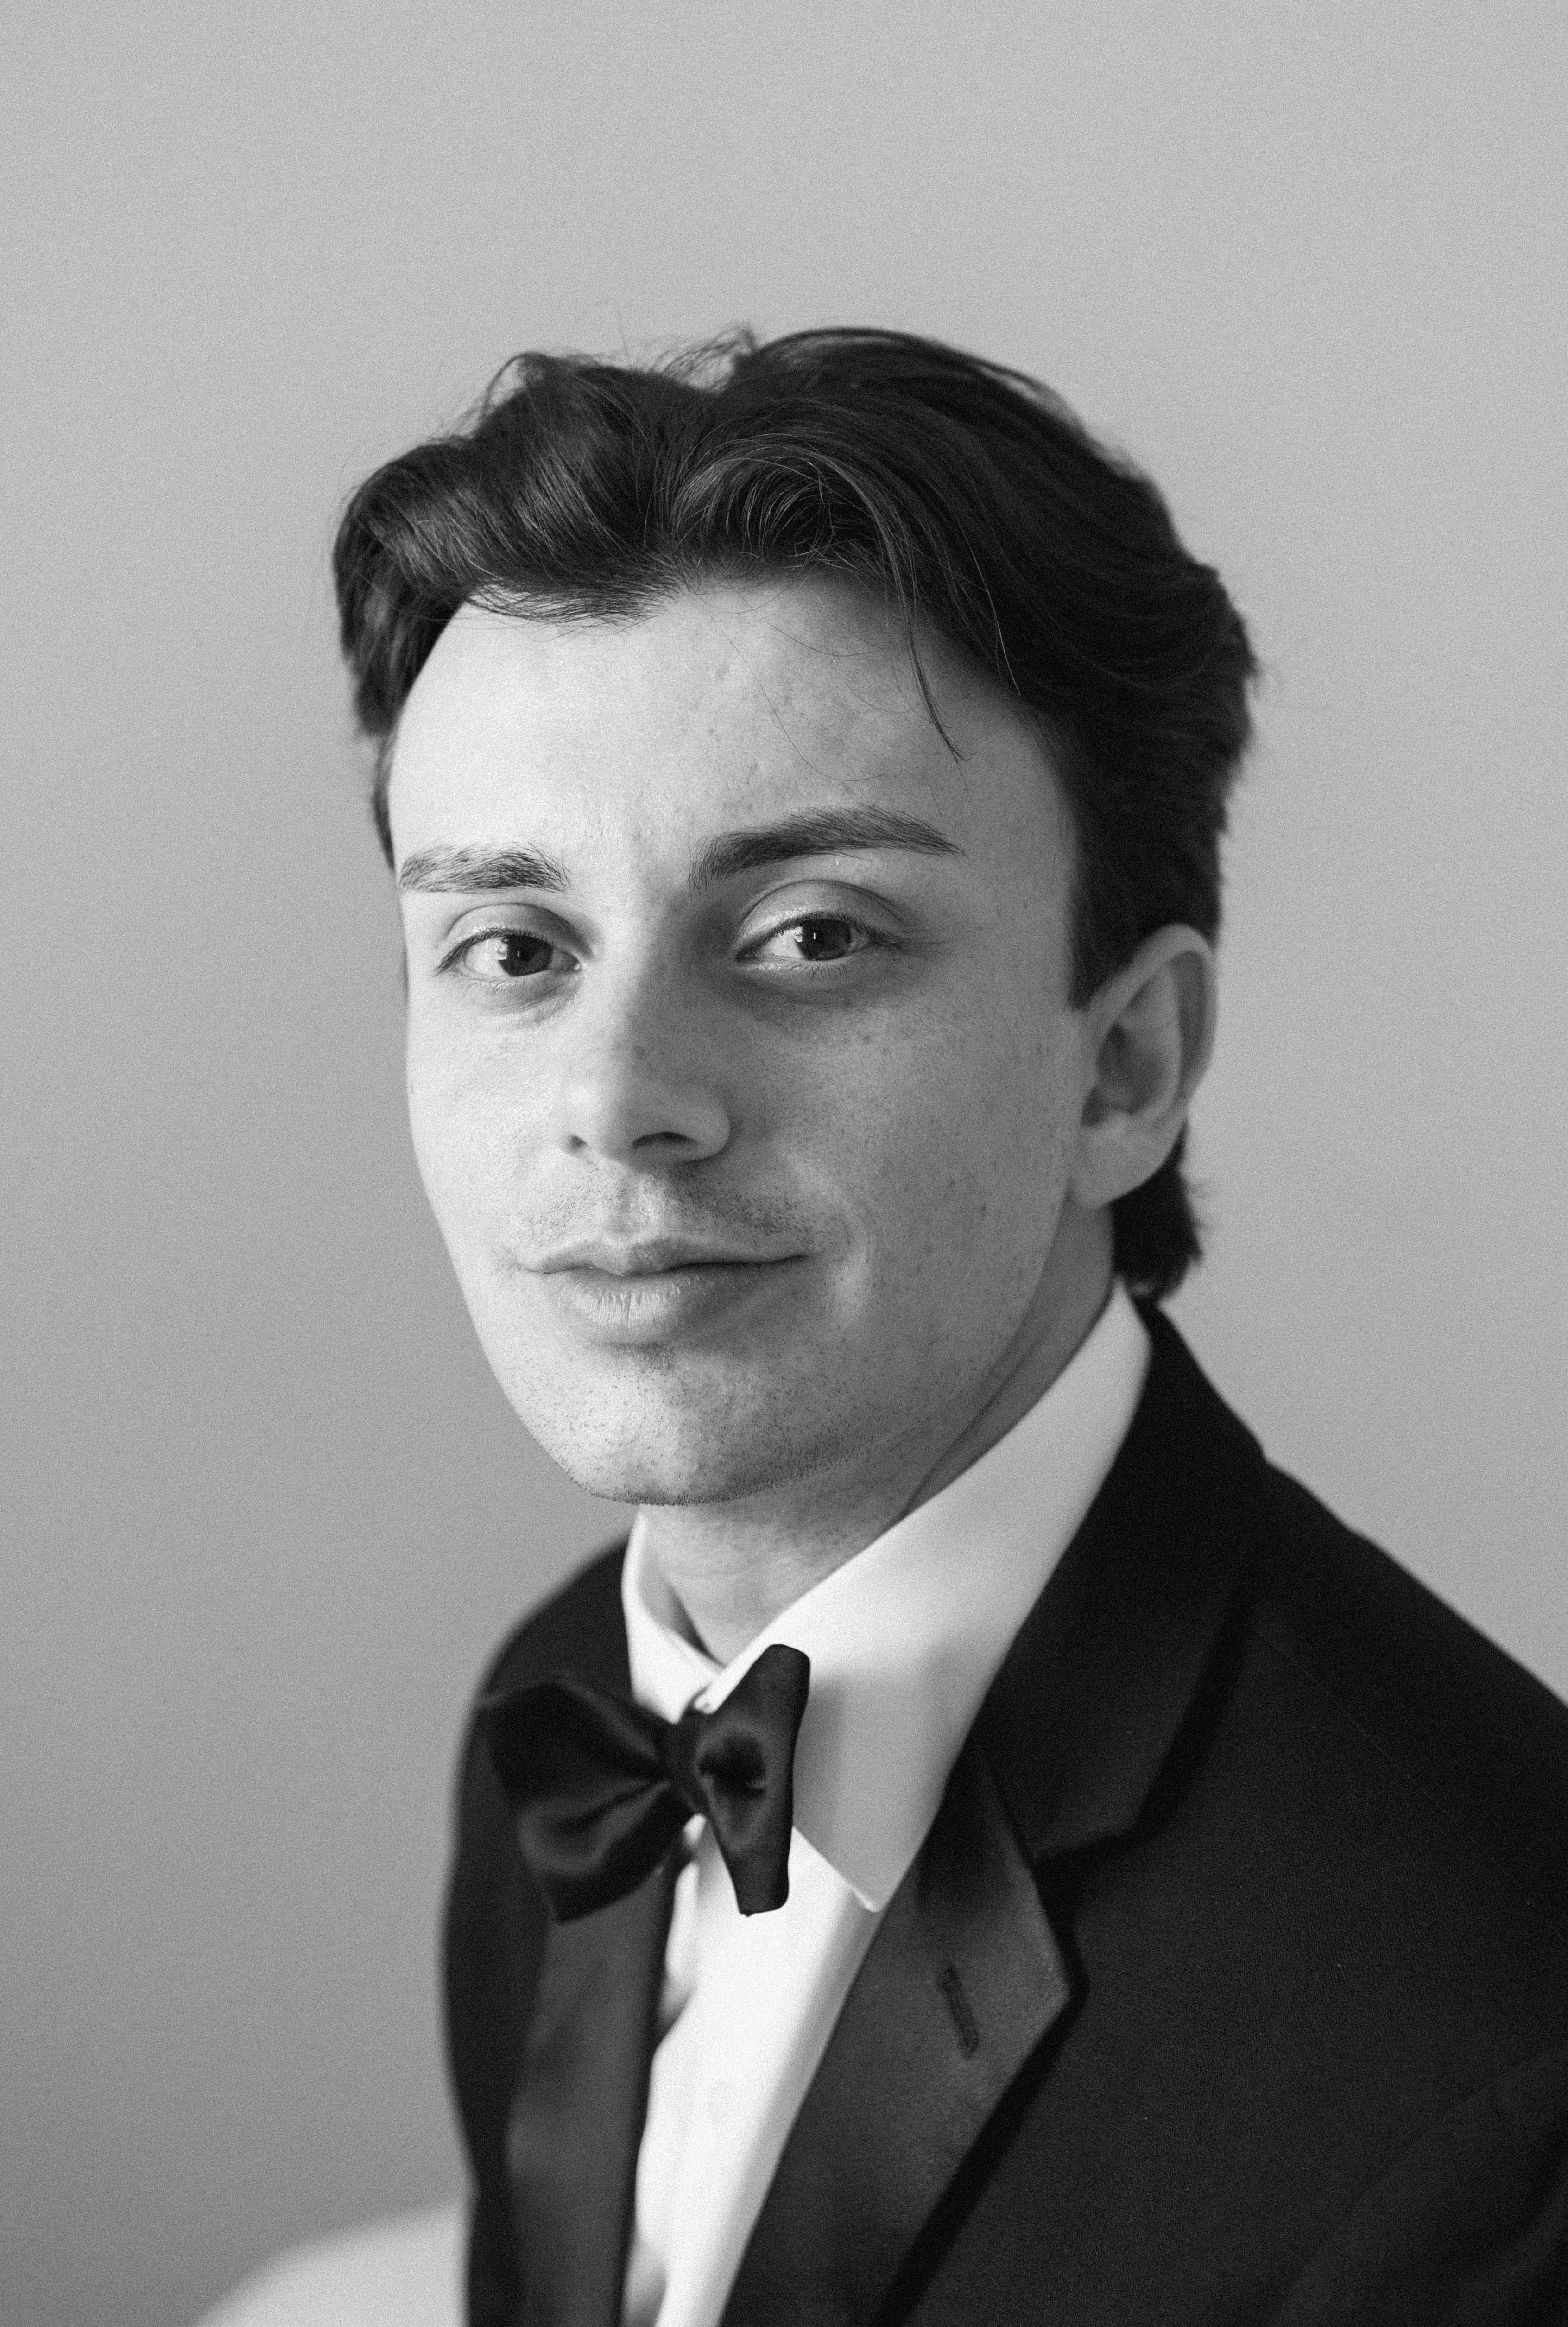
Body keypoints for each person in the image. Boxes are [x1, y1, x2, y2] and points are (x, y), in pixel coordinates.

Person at [326, 329, 1568, 2327]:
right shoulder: (564, 1707)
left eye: (814, 933)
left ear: (1126, 1067)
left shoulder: (1502, 2065)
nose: (621, 1090)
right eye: (517, 950)